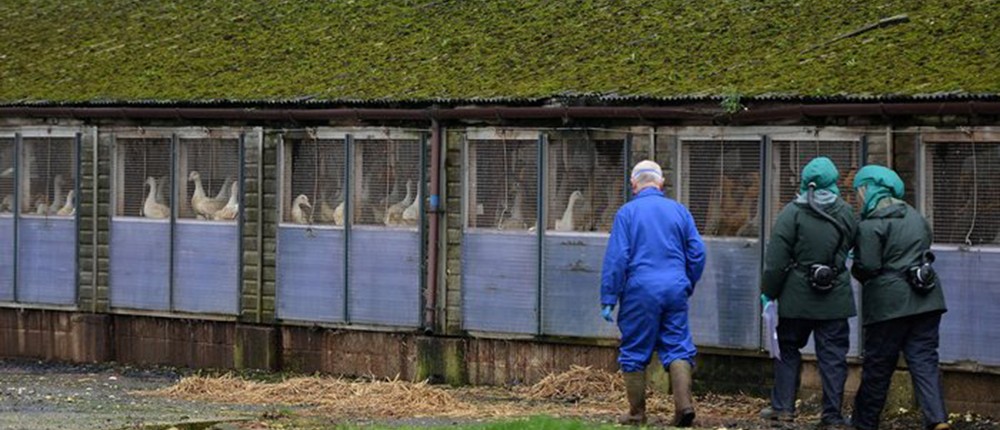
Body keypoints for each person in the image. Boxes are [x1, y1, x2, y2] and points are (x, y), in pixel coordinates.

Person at [599, 160, 706, 427]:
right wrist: (686, 282)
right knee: (678, 345)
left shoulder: (627, 213)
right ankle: (684, 408)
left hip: (641, 290)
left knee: (634, 349)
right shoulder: (679, 211)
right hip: (674, 289)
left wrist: (608, 298)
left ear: (634, 185)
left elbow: (617, 259)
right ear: (660, 183)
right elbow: (698, 252)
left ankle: (636, 413)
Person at [759, 157, 858, 428]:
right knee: (833, 356)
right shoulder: (847, 213)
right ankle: (832, 416)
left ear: (805, 182)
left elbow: (776, 261)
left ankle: (783, 410)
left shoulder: (792, 213)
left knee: (788, 349)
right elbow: (853, 245)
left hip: (796, 298)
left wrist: (769, 292)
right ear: (834, 181)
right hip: (834, 296)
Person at [850, 165, 950, 430]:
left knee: (879, 367)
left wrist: (855, 266)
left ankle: (865, 423)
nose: (857, 197)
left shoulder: (871, 225)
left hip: (888, 308)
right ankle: (938, 419)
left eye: (859, 191)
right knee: (925, 361)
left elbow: (869, 266)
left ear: (868, 190)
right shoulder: (916, 217)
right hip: (927, 298)